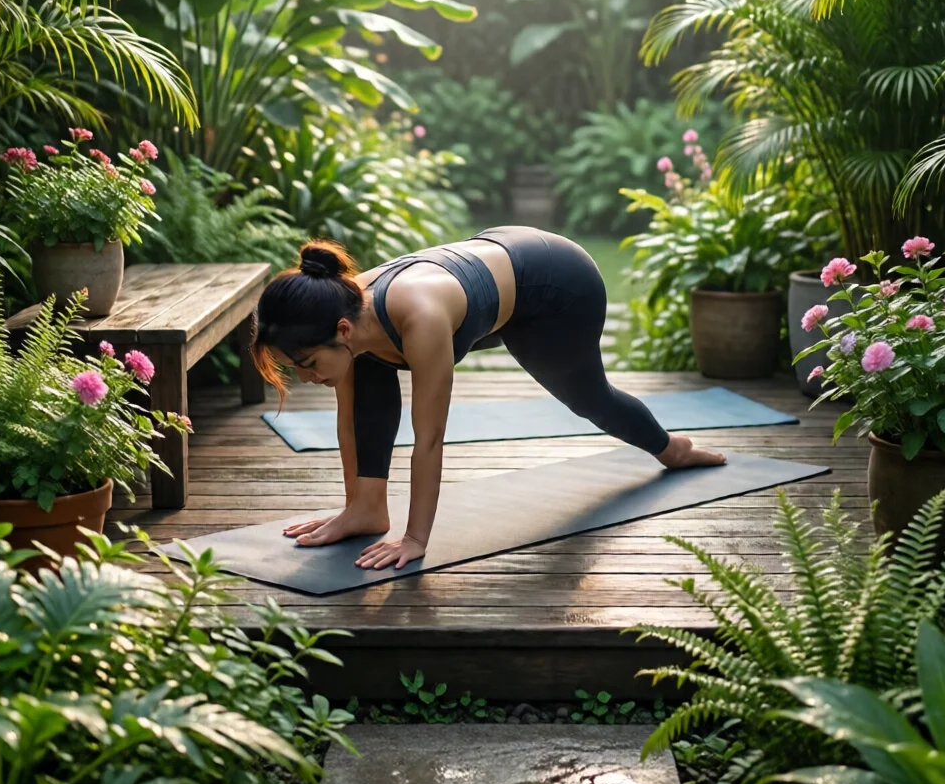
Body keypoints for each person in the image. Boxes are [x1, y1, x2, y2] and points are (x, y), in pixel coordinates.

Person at [251, 228, 726, 572]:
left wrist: (416, 539)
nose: (308, 378)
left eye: (307, 363)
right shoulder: (346, 313)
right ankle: (368, 508)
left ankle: (673, 449)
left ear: (342, 331)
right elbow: (352, 422)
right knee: (366, 379)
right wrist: (354, 505)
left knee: (589, 398)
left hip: (554, 284)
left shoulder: (420, 317)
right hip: (493, 260)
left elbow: (430, 440)